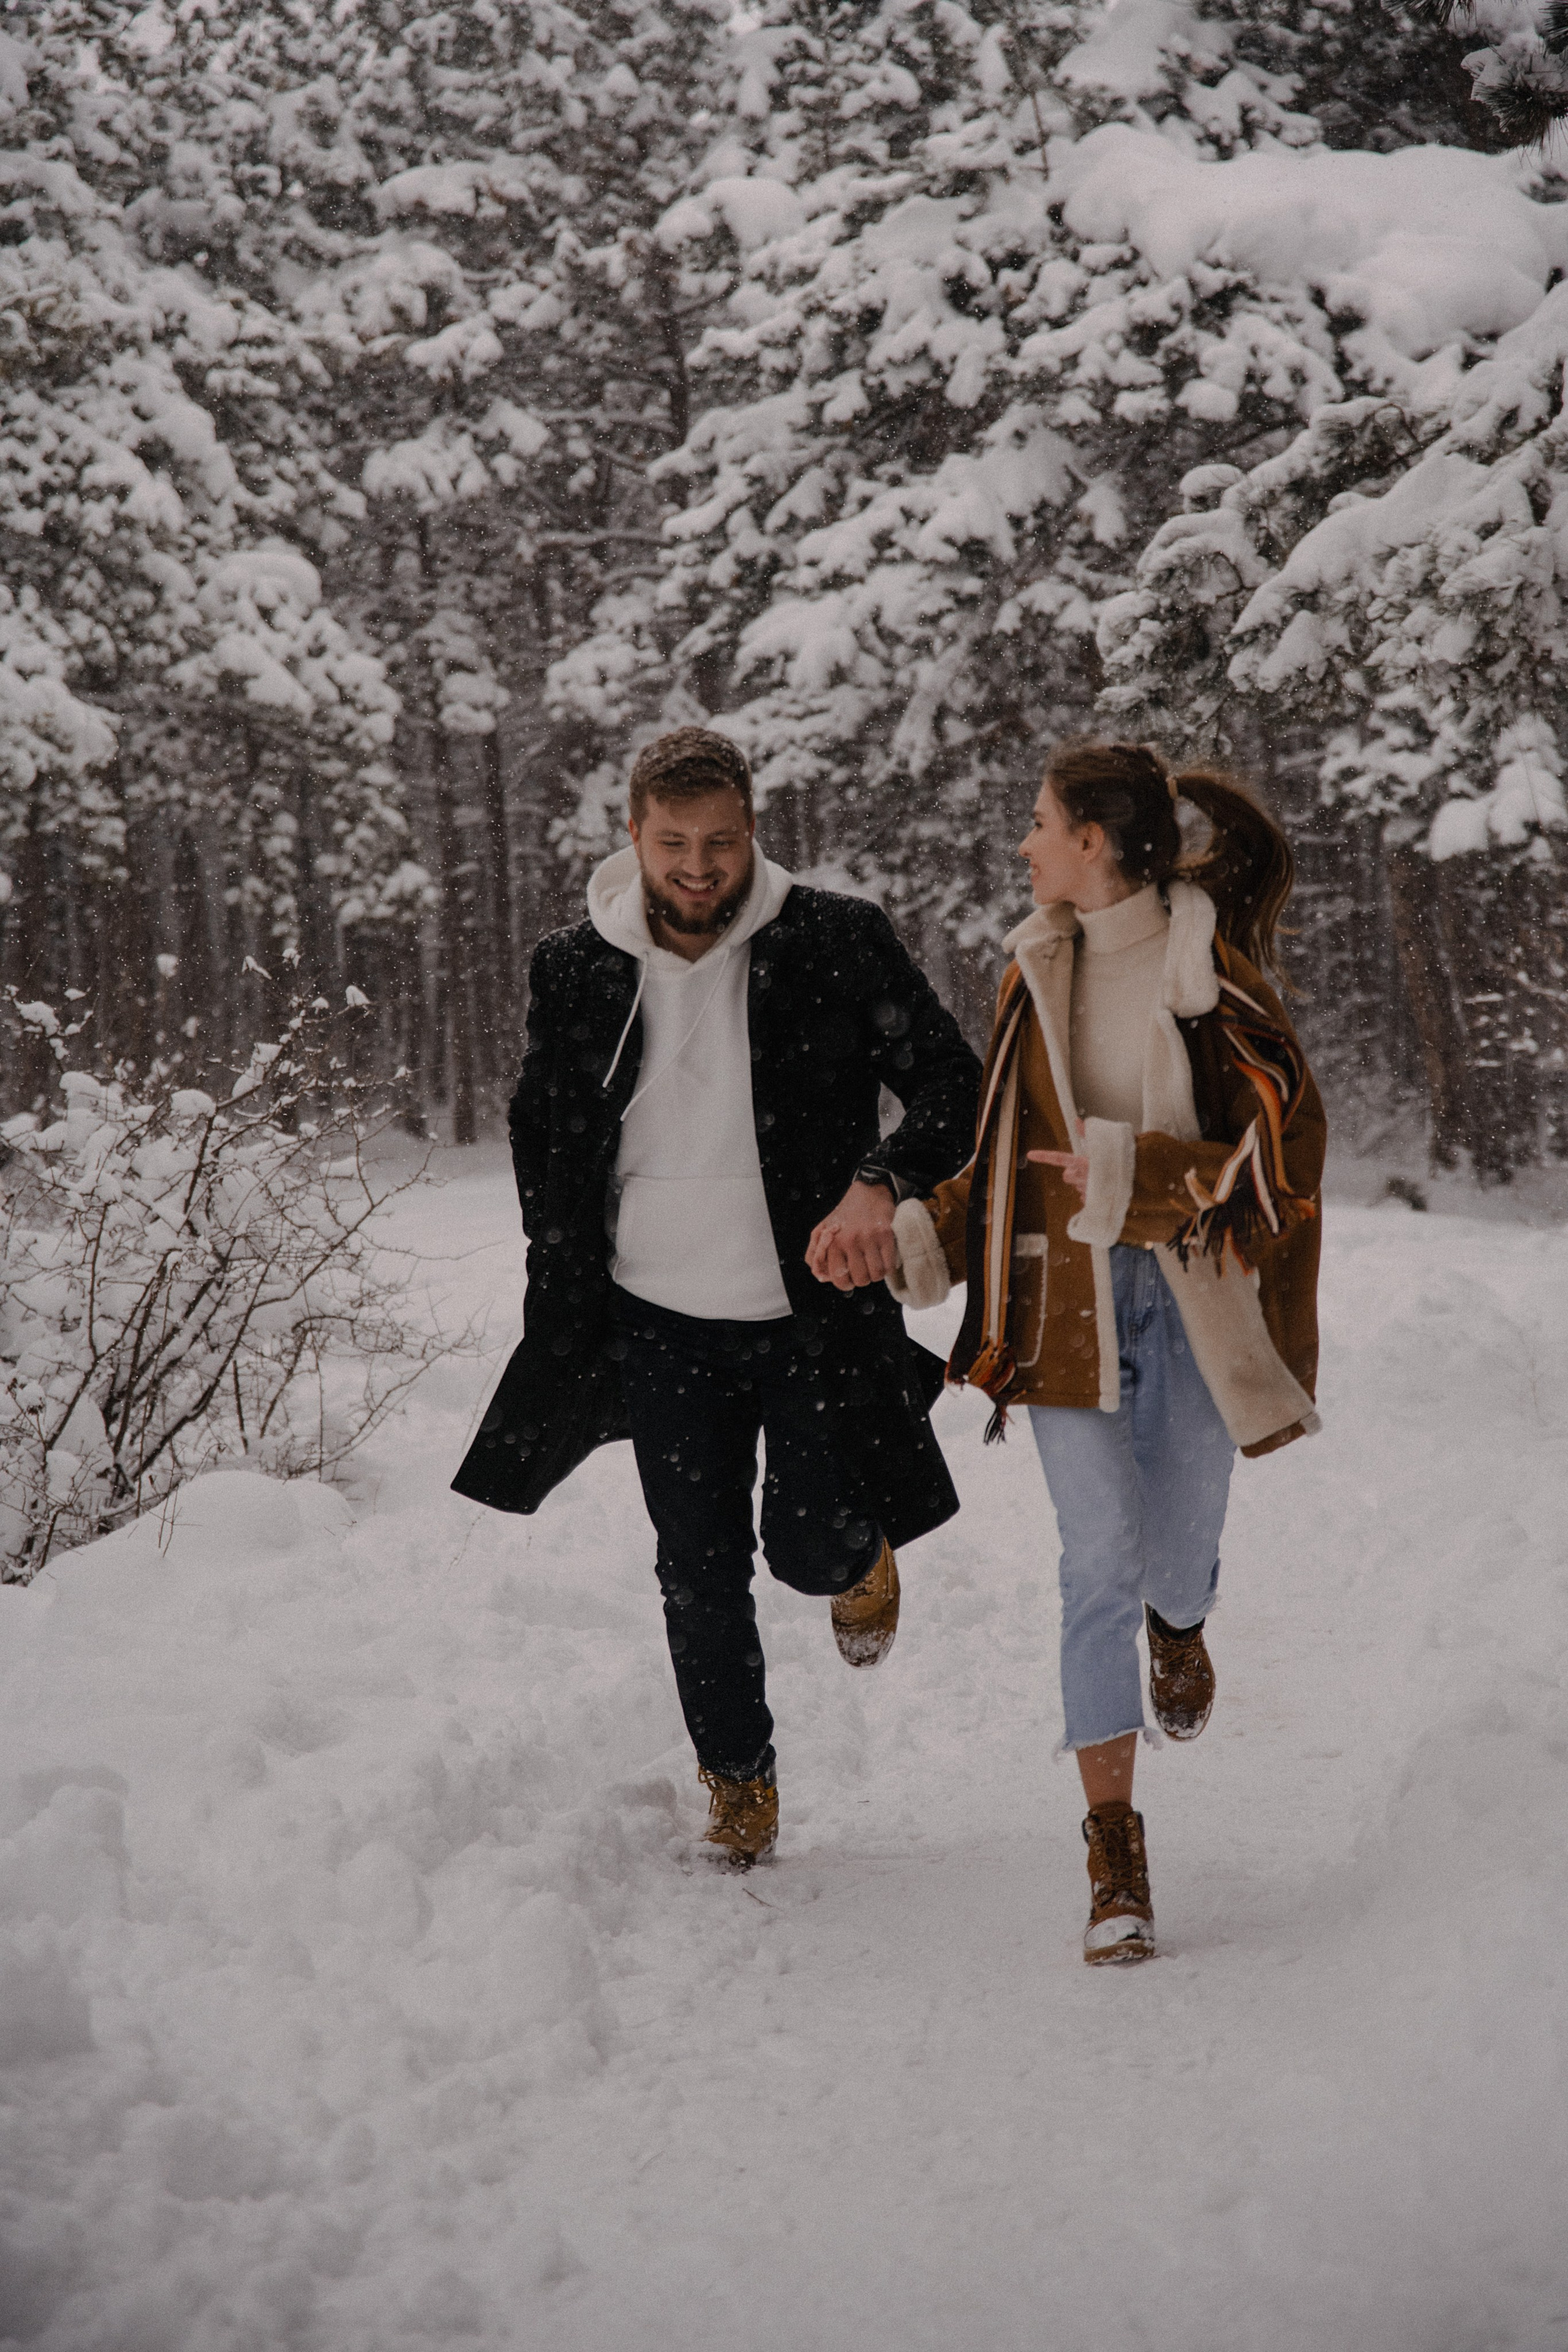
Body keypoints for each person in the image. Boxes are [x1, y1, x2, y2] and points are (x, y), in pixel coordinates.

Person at [453, 726, 981, 1868]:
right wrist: (564, 1297)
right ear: (633, 835)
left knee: (804, 1550)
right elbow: (545, 1138)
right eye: (675, 842)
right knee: (694, 1562)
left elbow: (952, 1083)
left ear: (755, 833)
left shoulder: (834, 940)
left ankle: (858, 1561)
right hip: (658, 1322)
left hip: (809, 1321)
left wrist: (879, 1184)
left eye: (723, 843)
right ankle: (738, 1779)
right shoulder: (576, 965)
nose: (700, 868)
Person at [868, 741, 1325, 1962]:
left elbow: (1272, 1170)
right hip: (1060, 1302)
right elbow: (1014, 1156)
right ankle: (1113, 1852)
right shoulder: (1036, 971)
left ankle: (1181, 1629)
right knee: (1096, 1561)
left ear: (1094, 843)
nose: (1023, 844)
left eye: (1038, 823)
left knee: (1172, 1561)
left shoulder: (1209, 978)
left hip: (1195, 1303)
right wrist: (924, 1235)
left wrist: (1135, 1178)